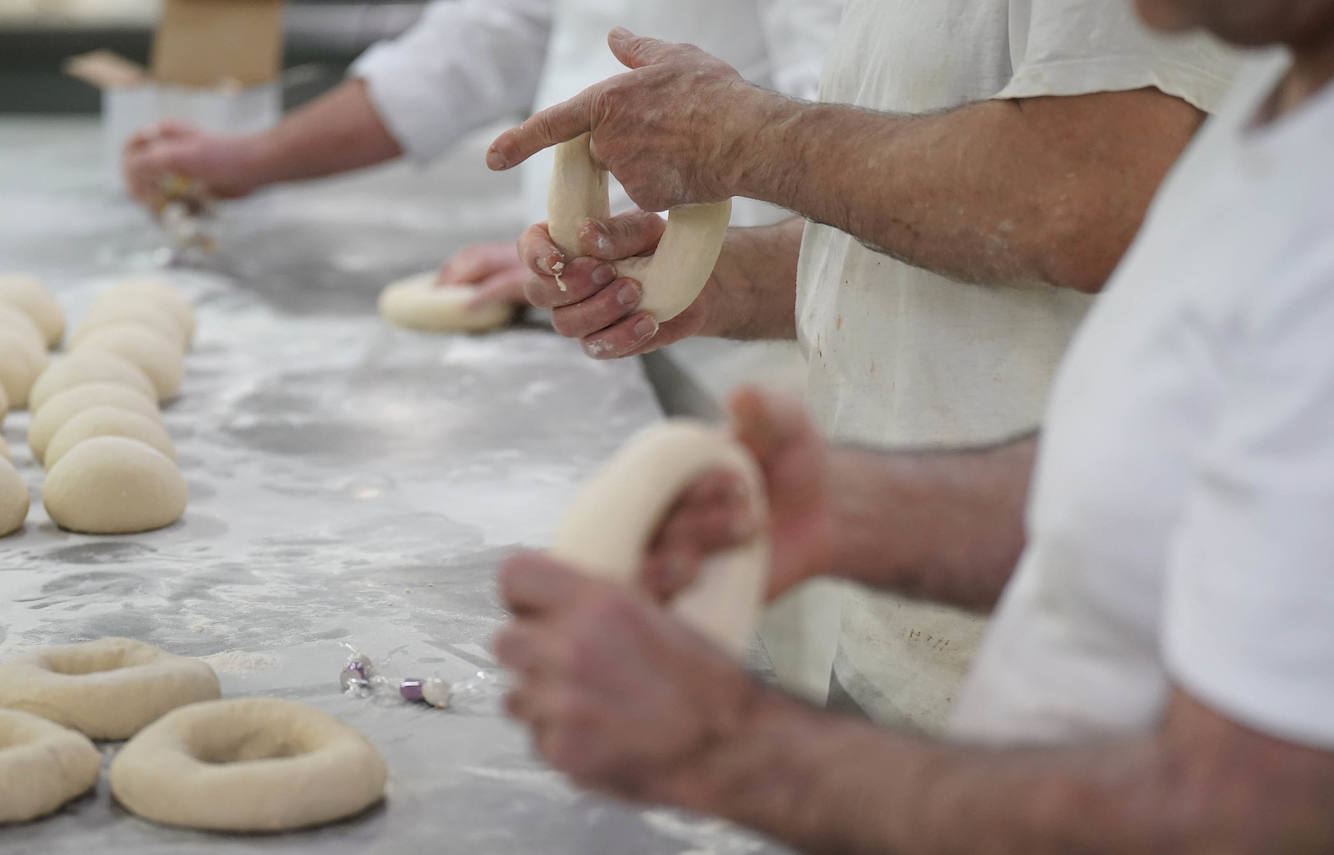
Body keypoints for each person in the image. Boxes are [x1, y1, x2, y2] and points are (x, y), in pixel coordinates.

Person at [493, 0, 1334, 846]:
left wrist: (727, 750)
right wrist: (853, 510)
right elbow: (1181, 478)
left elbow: (1251, 811)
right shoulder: (1282, 135)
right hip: (962, 706)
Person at [121, 0, 839, 306]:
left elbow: (839, 124)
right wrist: (253, 158)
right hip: (583, 295)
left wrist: (666, 268)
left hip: (747, 320)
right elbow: (481, 38)